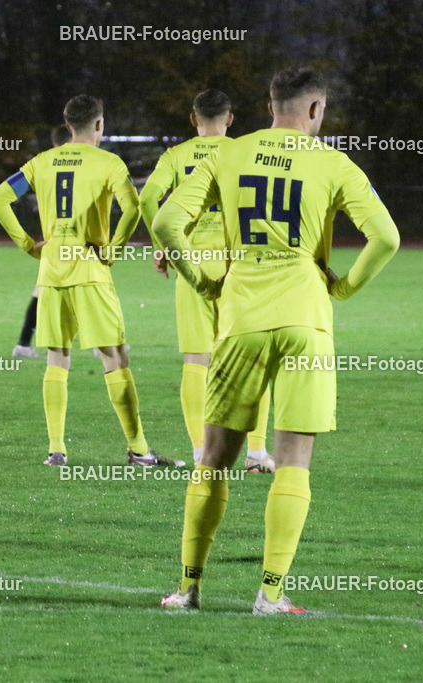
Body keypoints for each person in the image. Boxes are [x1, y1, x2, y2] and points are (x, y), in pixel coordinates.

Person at [153, 67, 399, 614]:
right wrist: (343, 286)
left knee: (213, 459)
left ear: (270, 106)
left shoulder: (228, 153)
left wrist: (203, 281)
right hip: (306, 319)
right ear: (315, 110)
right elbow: (387, 237)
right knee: (293, 461)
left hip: (240, 315)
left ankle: (188, 589)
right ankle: (270, 594)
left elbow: (167, 223)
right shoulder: (333, 163)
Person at [0, 95, 179, 468]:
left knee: (57, 357)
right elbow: (133, 207)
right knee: (113, 355)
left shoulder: (41, 162)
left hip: (52, 271)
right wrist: (114, 249)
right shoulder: (108, 163)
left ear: (67, 124)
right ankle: (139, 450)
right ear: (99, 124)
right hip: (90, 270)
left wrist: (27, 244)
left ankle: (56, 450)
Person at [139, 90, 276, 473]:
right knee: (252, 356)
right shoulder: (245, 151)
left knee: (196, 360)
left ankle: (202, 453)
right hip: (240, 264)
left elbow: (148, 199)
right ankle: (256, 452)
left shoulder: (177, 156)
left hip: (193, 261)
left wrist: (163, 246)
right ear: (230, 119)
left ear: (193, 118)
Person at [13, 125, 74, 360]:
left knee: (42, 292)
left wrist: (27, 244)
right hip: (78, 239)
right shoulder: (87, 163)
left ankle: (23, 345)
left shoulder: (41, 164)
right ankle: (104, 345)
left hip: (52, 241)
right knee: (91, 288)